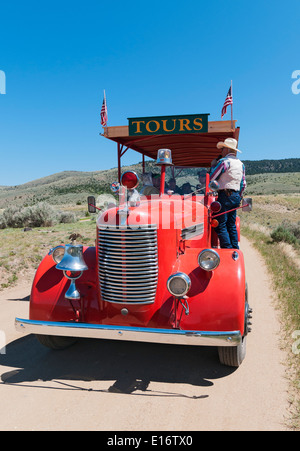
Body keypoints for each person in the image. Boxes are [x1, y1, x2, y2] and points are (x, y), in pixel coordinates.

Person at [210, 138, 246, 249]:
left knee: (221, 224)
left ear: (226, 149)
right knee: (231, 224)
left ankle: (227, 249)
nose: (221, 151)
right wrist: (238, 196)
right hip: (235, 196)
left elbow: (213, 177)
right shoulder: (241, 164)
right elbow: (243, 184)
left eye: (222, 149)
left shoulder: (224, 162)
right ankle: (235, 248)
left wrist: (212, 166)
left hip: (224, 195)